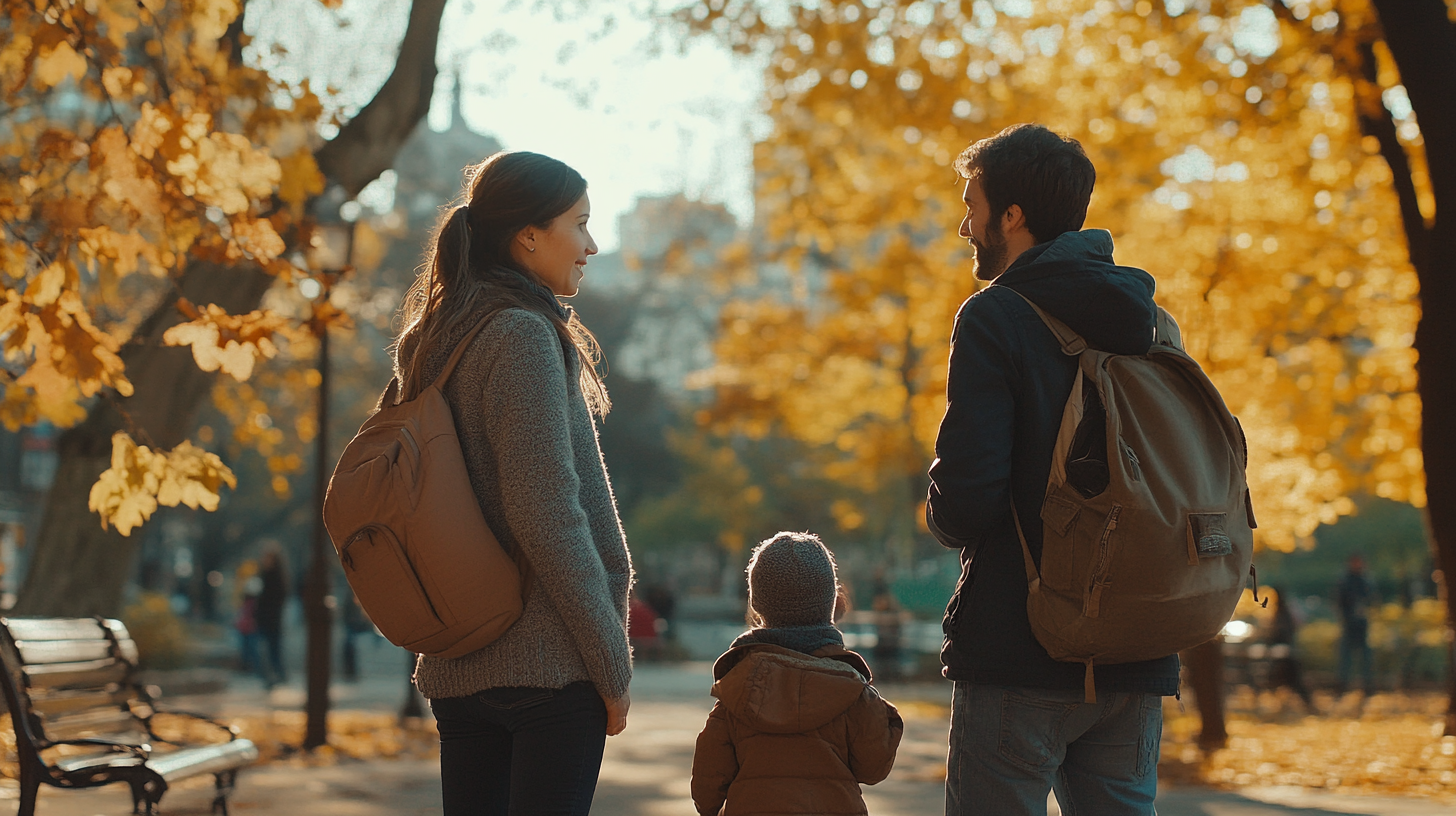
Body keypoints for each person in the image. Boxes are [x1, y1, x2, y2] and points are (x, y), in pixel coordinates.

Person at [925, 124, 1180, 816]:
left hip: (1022, 644)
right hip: (1138, 646)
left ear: (1012, 216)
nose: (963, 225)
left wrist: (939, 502)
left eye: (972, 205)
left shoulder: (995, 317)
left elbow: (966, 503)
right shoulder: (1151, 321)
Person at [392, 150, 633, 816]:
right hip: (547, 671)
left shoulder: (435, 340)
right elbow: (545, 510)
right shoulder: (521, 334)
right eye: (579, 224)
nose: (591, 245)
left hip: (460, 668)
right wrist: (610, 664)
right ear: (529, 234)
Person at [691, 532, 903, 816]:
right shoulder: (851, 691)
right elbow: (874, 767)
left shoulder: (737, 690)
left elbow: (707, 784)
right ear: (830, 603)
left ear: (757, 603)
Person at [1336, 554, 1376, 694]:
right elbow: (1339, 601)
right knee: (1346, 656)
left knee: (1365, 657)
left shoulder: (1365, 581)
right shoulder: (1345, 581)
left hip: (1361, 625)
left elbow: (1371, 599)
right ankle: (1343, 684)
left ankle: (1367, 685)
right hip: (1349, 624)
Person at [254, 545, 288, 689]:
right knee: (268, 650)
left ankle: (277, 676)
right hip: (264, 619)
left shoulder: (275, 577)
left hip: (272, 620)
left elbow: (276, 599)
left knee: (271, 650)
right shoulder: (263, 575)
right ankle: (273, 676)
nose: (264, 560)